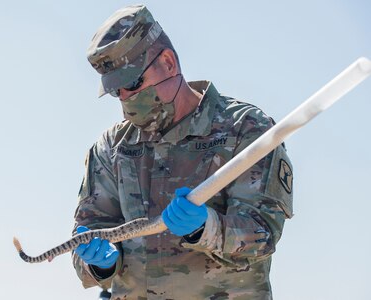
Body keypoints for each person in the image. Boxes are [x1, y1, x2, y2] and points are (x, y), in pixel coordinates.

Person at [72, 4, 293, 300]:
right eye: (117, 91)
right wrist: (99, 264)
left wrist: (206, 227)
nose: (126, 99)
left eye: (134, 83)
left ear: (168, 62)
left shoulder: (246, 130)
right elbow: (86, 233)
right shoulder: (113, 148)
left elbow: (262, 233)